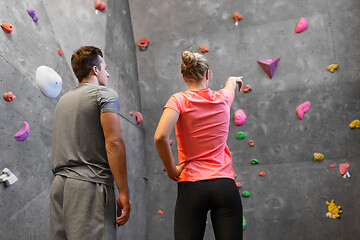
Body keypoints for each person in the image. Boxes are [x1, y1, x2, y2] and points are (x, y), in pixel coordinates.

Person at [154, 50, 243, 240]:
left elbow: (160, 137)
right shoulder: (223, 98)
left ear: (183, 76)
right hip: (224, 184)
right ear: (208, 74)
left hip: (192, 186)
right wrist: (233, 79)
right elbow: (230, 87)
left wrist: (171, 170)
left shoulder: (178, 100)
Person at [49, 46, 130, 240]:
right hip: (90, 187)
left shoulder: (63, 101)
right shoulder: (104, 95)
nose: (108, 74)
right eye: (105, 68)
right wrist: (124, 191)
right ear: (95, 69)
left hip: (59, 188)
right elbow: (114, 143)